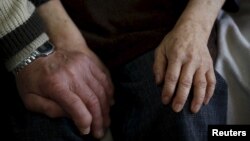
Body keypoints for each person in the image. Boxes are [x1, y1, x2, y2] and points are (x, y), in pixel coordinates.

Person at [0, 0, 239, 141]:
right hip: (43, 25)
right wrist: (59, 38)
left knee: (184, 107)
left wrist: (195, 25)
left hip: (167, 30)